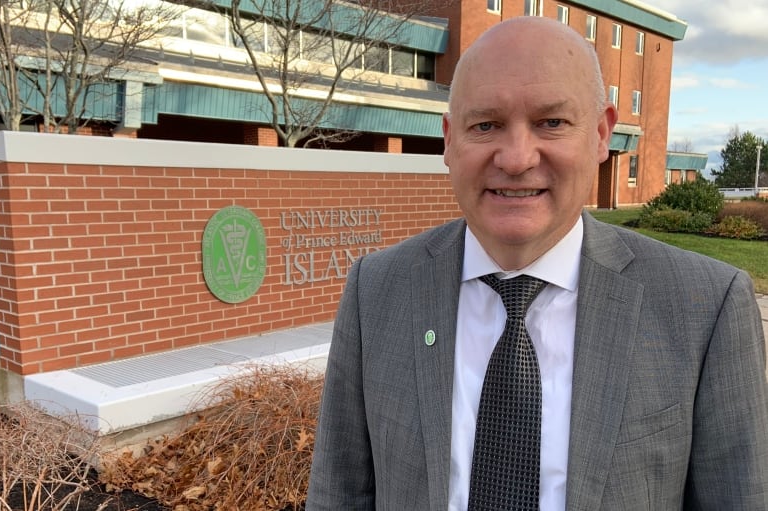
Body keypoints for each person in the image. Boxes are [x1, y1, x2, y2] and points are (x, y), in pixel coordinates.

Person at [307, 16, 768, 510]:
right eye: (486, 125)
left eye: (551, 122)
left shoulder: (706, 308)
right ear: (449, 139)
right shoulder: (376, 290)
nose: (517, 158)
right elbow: (338, 495)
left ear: (599, 134)